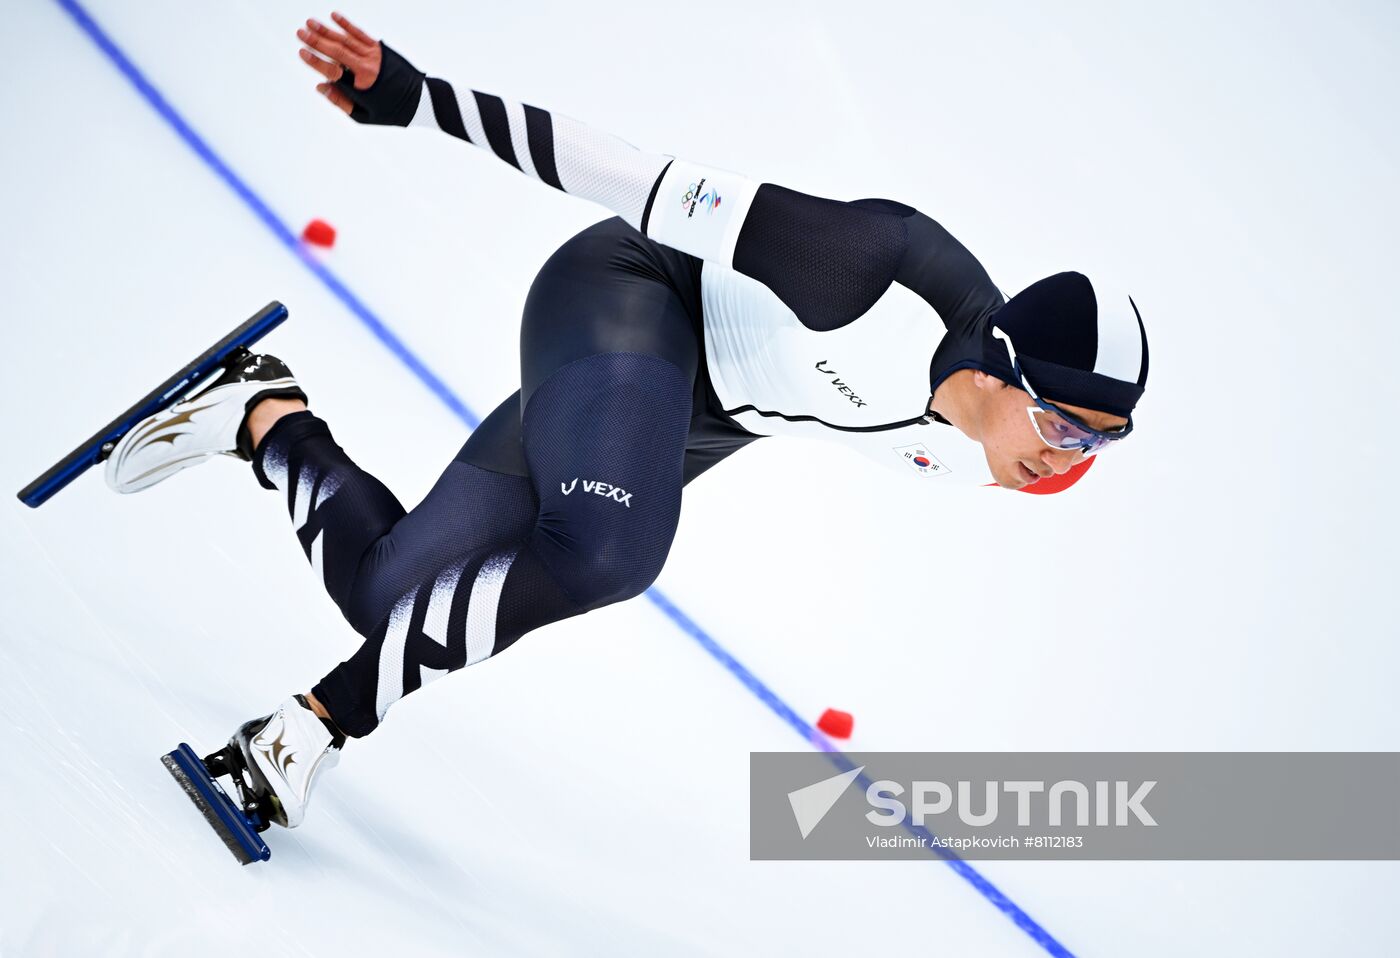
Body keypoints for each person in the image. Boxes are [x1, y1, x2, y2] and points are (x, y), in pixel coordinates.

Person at [107, 12, 1150, 831]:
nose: (1068, 463)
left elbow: (1028, 445)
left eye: (1100, 442)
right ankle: (312, 726)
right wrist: (418, 98)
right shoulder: (867, 268)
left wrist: (1070, 445)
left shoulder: (1032, 461)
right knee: (610, 548)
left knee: (385, 592)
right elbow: (631, 177)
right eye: (1065, 429)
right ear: (1005, 370)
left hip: (698, 407)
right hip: (628, 295)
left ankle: (261, 415)